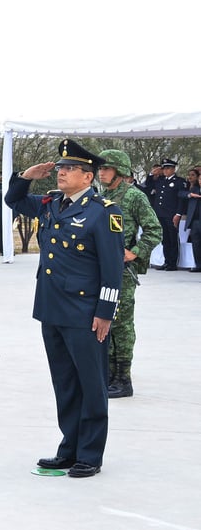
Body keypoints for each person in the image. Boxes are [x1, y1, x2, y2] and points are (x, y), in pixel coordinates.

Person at [5, 139, 124, 478]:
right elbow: (13, 200)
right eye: (60, 168)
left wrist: (105, 312)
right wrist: (27, 175)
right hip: (52, 308)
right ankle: (69, 448)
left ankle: (90, 454)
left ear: (88, 177)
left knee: (91, 383)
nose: (61, 172)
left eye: (70, 168)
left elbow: (112, 267)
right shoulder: (51, 204)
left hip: (86, 313)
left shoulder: (103, 211)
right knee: (65, 384)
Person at [97, 150, 162, 399]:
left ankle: (123, 378)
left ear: (120, 171)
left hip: (122, 272)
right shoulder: (102, 197)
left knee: (121, 325)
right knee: (104, 322)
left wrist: (134, 252)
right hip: (101, 270)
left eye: (106, 168)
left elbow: (154, 229)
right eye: (100, 169)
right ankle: (109, 372)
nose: (101, 172)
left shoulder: (134, 196)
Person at [143, 158, 186, 270]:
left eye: (168, 168)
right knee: (165, 239)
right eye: (164, 169)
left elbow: (181, 200)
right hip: (160, 214)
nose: (166, 171)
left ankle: (173, 263)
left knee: (172, 238)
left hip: (171, 214)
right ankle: (166, 261)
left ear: (173, 169)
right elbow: (148, 185)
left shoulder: (179, 181)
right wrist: (152, 173)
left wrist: (178, 214)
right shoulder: (161, 180)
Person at [178, 167, 201, 272]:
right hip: (196, 221)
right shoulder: (194, 189)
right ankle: (198, 265)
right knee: (196, 243)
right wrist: (190, 194)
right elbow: (181, 193)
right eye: (200, 180)